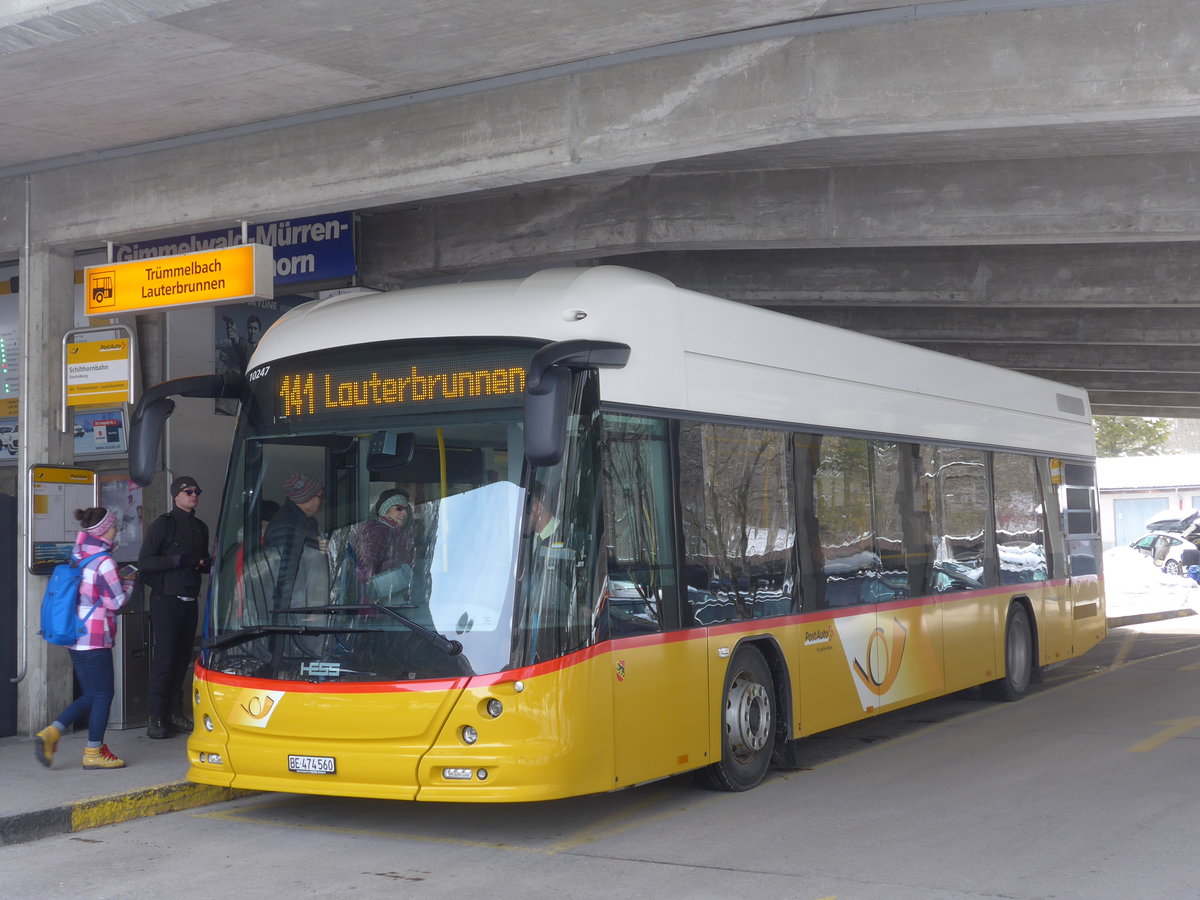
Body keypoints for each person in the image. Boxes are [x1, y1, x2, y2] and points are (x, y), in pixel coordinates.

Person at [34, 507, 137, 770]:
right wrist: (130, 582)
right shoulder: (104, 562)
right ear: (104, 530)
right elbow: (115, 602)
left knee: (91, 694)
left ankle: (52, 733)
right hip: (95, 637)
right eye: (114, 526)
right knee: (103, 695)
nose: (116, 530)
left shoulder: (78, 555)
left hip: (74, 636)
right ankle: (93, 752)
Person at [138, 475, 210, 740]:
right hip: (166, 599)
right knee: (165, 659)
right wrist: (178, 560)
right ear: (175, 495)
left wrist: (204, 563)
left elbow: (202, 562)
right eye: (188, 491)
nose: (194, 495)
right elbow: (145, 562)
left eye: (197, 491)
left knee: (182, 660)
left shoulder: (200, 527)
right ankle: (155, 716)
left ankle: (173, 712)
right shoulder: (163, 525)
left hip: (190, 599)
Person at [264, 473, 327, 608]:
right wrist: (293, 613)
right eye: (320, 496)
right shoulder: (287, 526)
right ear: (306, 498)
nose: (323, 501)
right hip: (295, 610)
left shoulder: (305, 522)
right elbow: (283, 576)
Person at [356, 490, 416, 601]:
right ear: (385, 510)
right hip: (384, 603)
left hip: (394, 598)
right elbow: (368, 566)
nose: (405, 513)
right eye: (399, 509)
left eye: (406, 509)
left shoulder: (395, 531)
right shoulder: (379, 531)